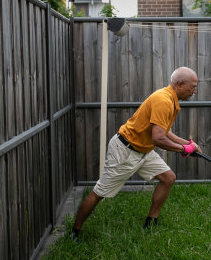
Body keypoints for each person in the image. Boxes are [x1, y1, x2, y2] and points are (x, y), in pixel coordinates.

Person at [71, 66, 200, 240]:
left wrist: (188, 143)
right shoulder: (164, 101)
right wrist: (184, 150)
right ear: (179, 84)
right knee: (100, 192)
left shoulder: (169, 98)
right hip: (125, 151)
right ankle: (75, 231)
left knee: (168, 177)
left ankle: (151, 221)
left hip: (144, 151)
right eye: (192, 87)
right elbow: (159, 139)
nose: (194, 91)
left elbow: (164, 131)